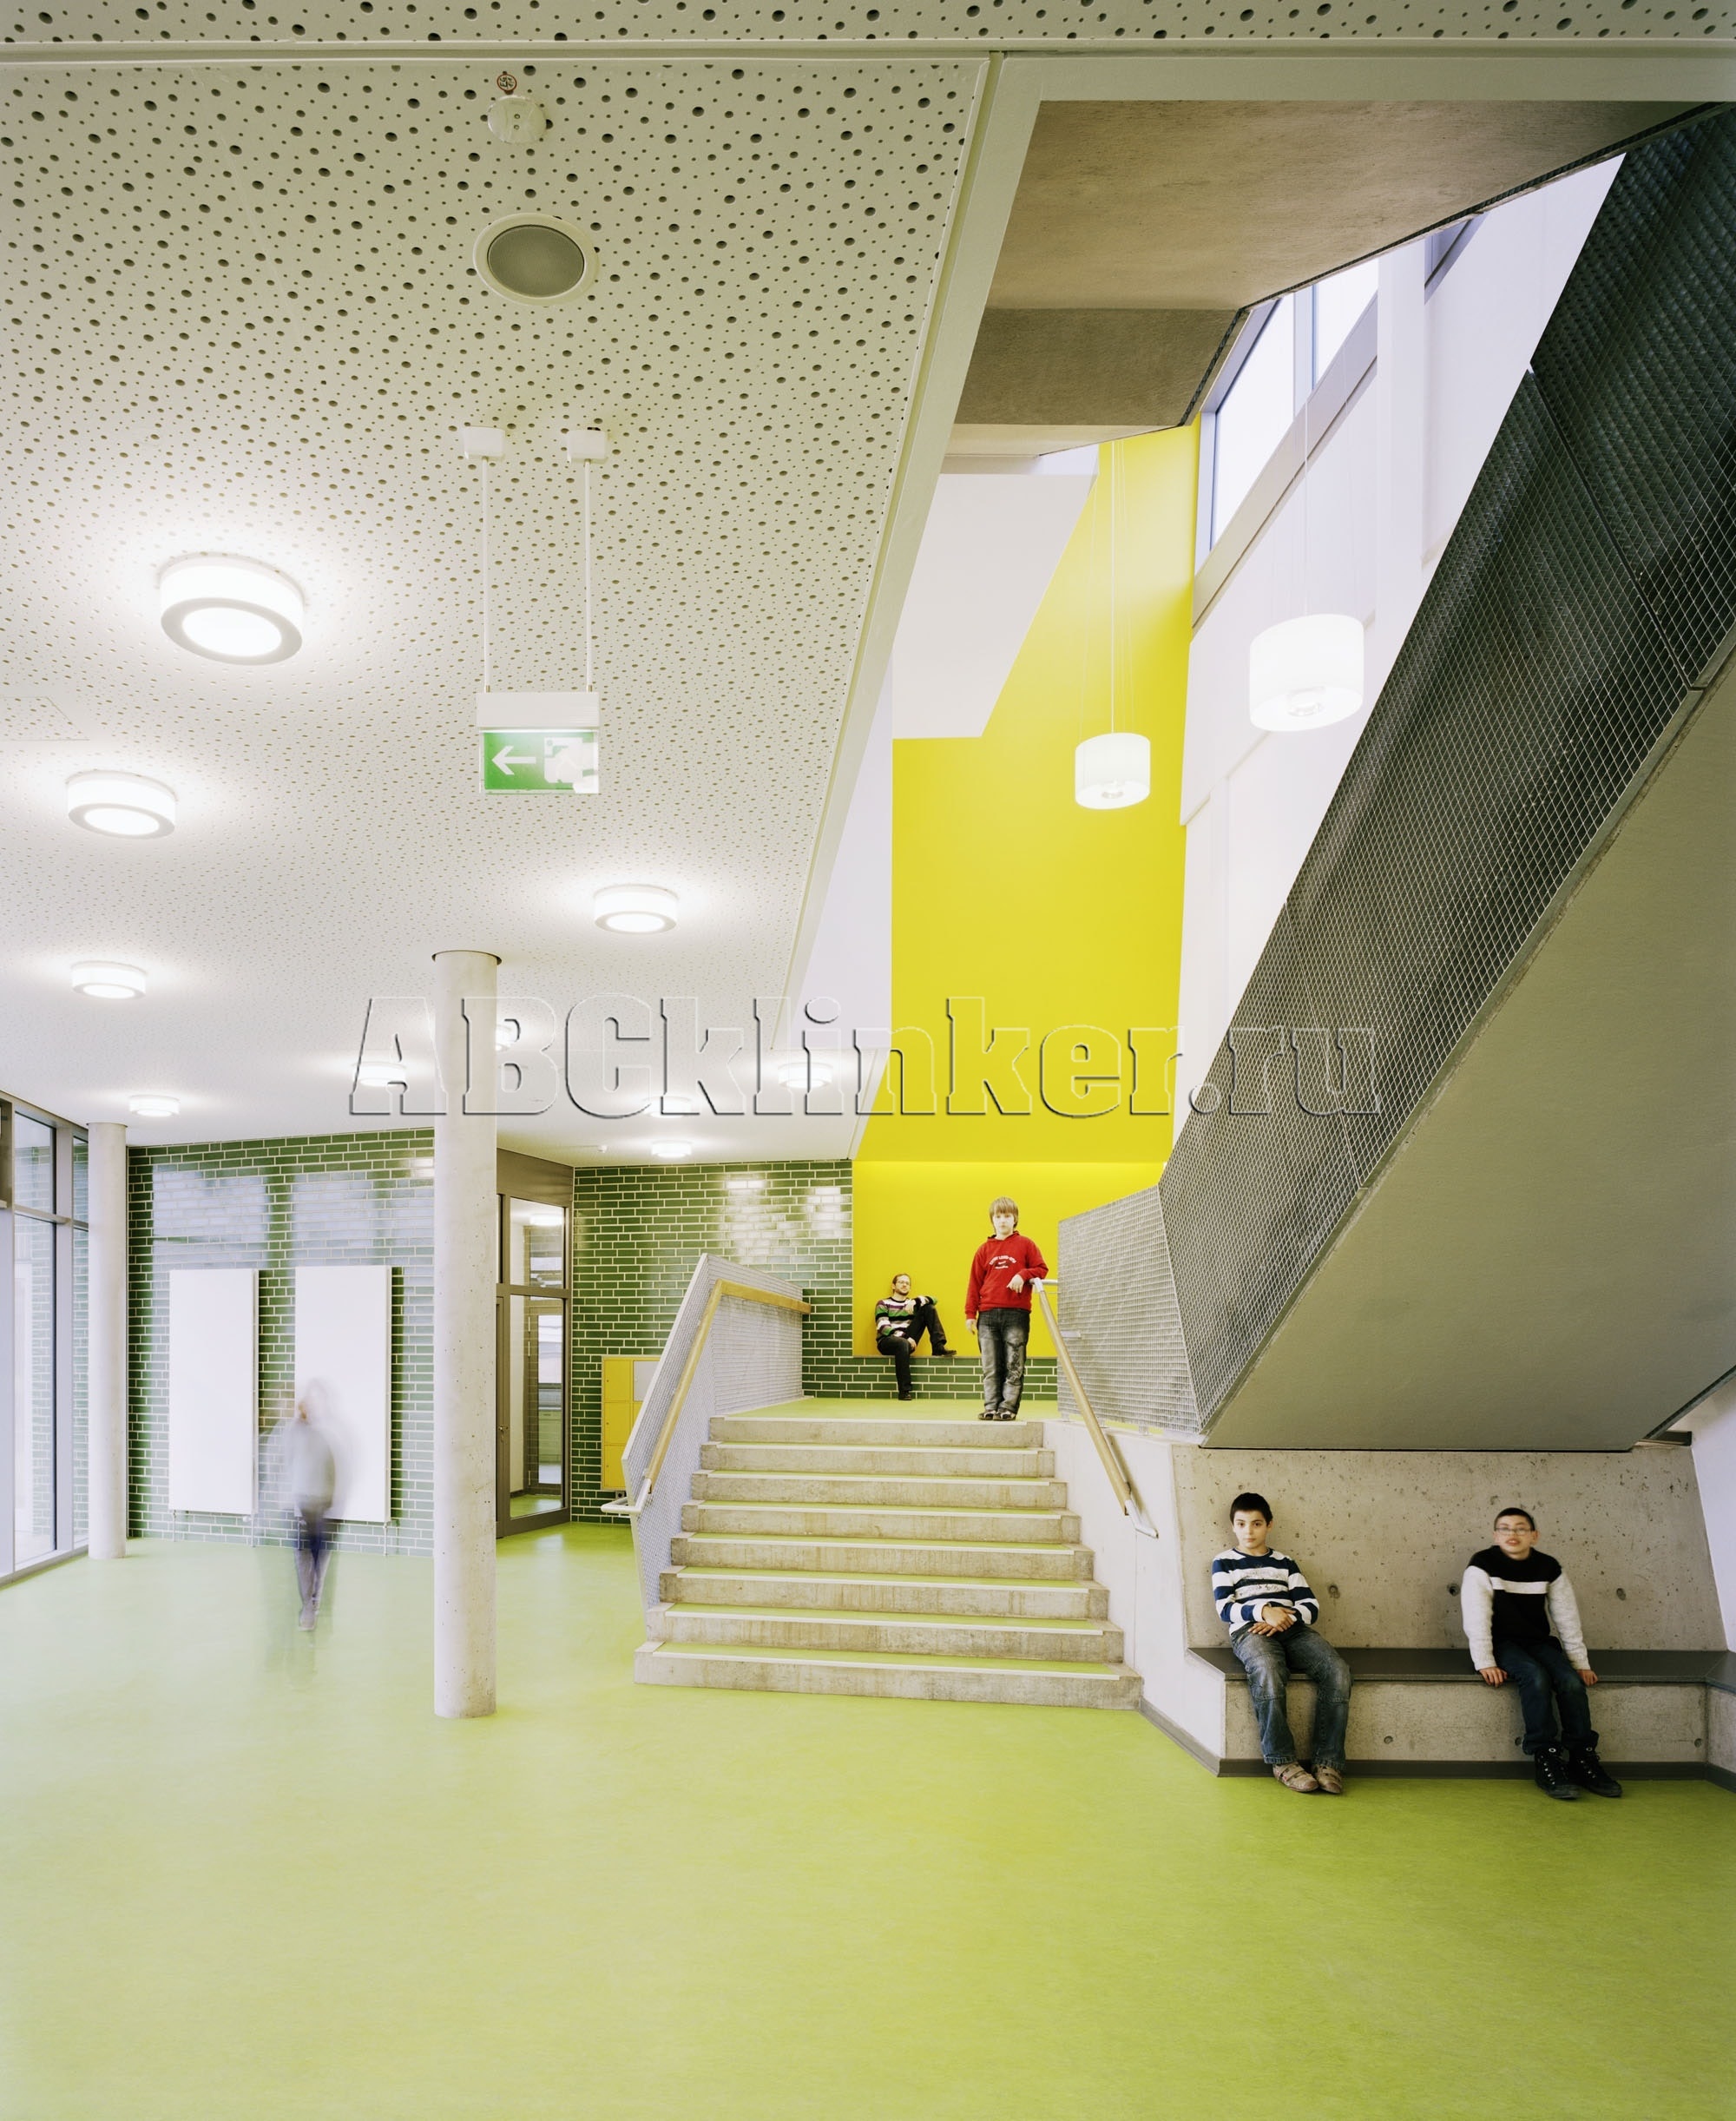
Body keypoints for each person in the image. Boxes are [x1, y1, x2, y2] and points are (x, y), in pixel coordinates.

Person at [1462, 1507, 1622, 1801]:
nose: (1512, 1534)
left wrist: (1580, 1663)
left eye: (1520, 1528)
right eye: (1505, 1528)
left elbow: (1567, 1617)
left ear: (1534, 1536)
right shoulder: (1482, 1565)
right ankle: (1546, 1756)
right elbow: (1476, 1616)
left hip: (1538, 1642)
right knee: (1535, 1677)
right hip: (1501, 1643)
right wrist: (1484, 1661)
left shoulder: (1549, 1567)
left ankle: (1582, 1756)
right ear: (1495, 1535)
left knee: (1570, 1681)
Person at [1212, 1492, 1353, 1795]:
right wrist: (1264, 1612)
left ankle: (1328, 1761)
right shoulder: (1223, 1562)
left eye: (1256, 1523)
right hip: (1250, 1632)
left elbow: (1311, 1607)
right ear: (1233, 1526)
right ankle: (1283, 1761)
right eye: (1241, 1524)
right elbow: (1225, 1609)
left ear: (1269, 1525)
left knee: (1337, 1670)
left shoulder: (1285, 1563)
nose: (1249, 1531)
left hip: (1293, 1630)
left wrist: (1282, 1617)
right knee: (1267, 1669)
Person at [963, 1196, 1048, 1422]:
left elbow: (1041, 1269)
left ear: (1015, 1219)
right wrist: (970, 1314)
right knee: (990, 1365)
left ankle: (1008, 1407)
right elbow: (974, 1284)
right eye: (998, 1216)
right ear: (992, 1220)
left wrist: (1023, 1274)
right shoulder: (983, 1250)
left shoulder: (1026, 1245)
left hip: (1016, 1314)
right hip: (987, 1315)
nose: (1002, 1221)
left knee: (1014, 1363)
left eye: (1007, 1216)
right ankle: (991, 1406)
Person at [273, 1392, 338, 1631]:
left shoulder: (318, 1438)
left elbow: (330, 1468)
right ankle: (309, 1606)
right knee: (305, 1555)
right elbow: (281, 1468)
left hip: (316, 1504)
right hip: (300, 1505)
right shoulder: (290, 1435)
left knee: (315, 1555)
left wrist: (328, 1497)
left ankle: (313, 1601)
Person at [873, 1273, 957, 1400]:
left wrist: (915, 1301)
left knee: (929, 1308)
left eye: (907, 1283)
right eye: (901, 1282)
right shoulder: (883, 1303)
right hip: (887, 1341)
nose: (904, 1285)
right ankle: (904, 1391)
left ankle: (938, 1346)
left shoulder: (912, 1304)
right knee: (902, 1343)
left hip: (907, 1341)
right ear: (893, 1286)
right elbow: (883, 1327)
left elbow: (934, 1300)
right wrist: (905, 1338)